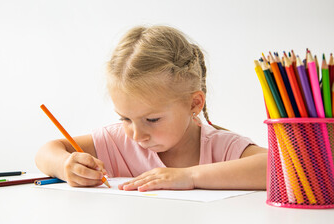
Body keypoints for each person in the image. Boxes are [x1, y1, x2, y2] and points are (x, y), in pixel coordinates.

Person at [35, 25, 267, 192]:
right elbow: (46, 152)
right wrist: (65, 166)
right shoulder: (116, 142)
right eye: (125, 118)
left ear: (194, 103)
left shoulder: (221, 148)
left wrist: (189, 176)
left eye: (153, 119)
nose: (136, 135)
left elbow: (282, 166)